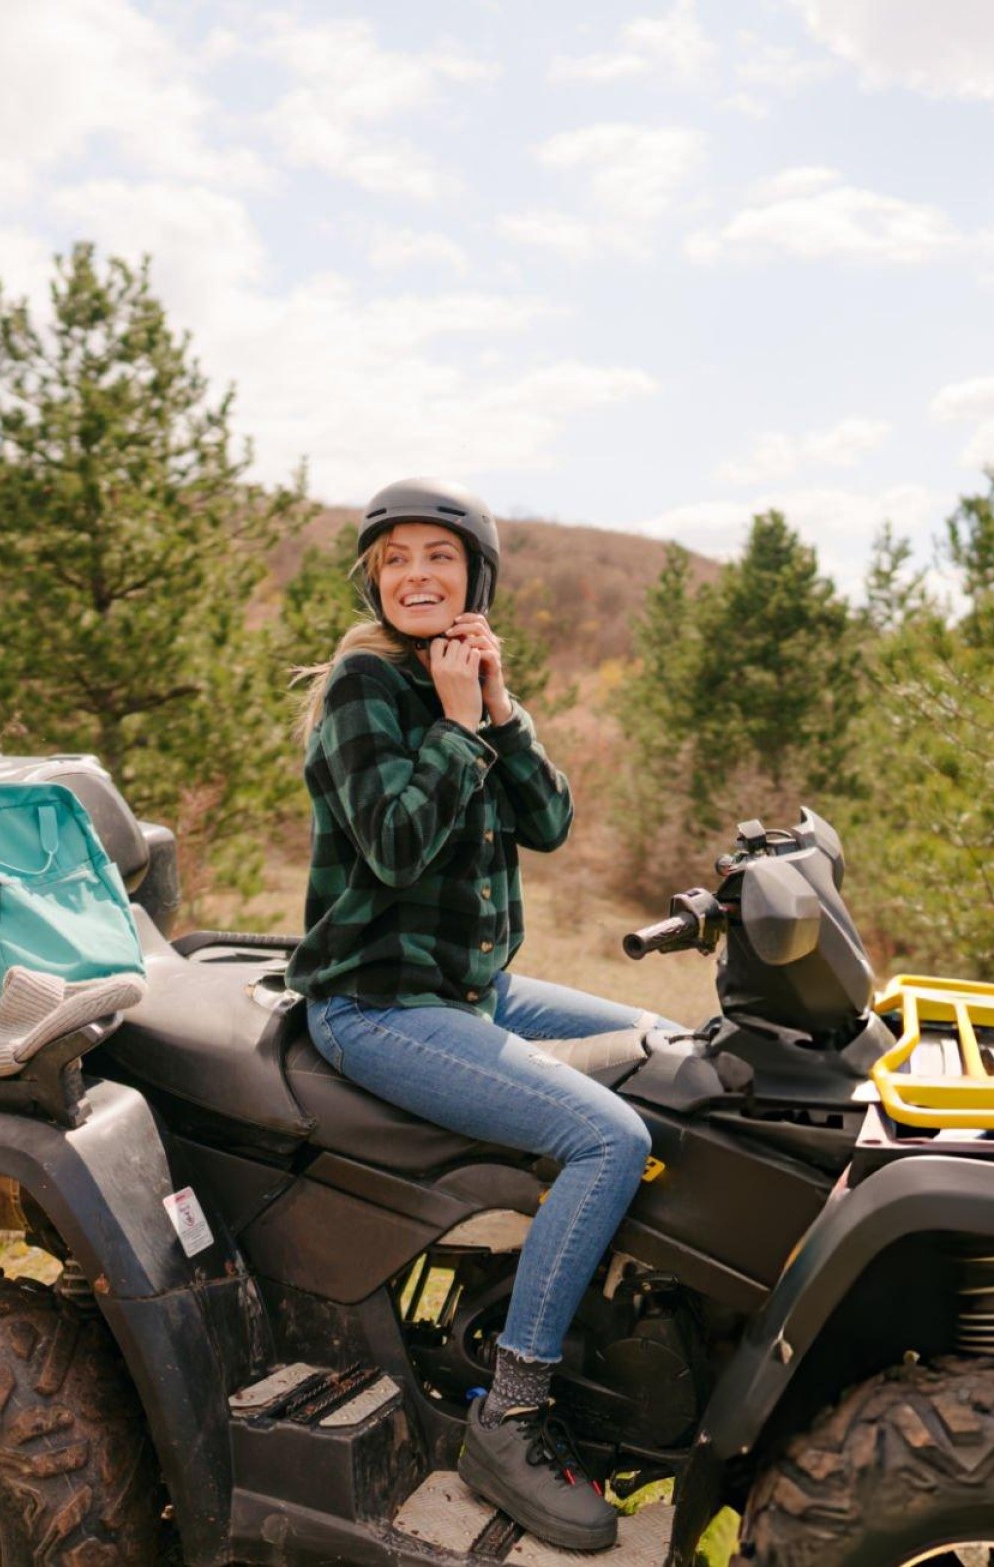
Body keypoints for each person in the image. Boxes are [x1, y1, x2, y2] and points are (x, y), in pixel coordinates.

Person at [286, 476, 676, 1553]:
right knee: (610, 1135)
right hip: (374, 1002)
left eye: (439, 556)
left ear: (476, 577)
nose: (417, 573)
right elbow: (397, 845)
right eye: (397, 557)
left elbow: (548, 820)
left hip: (478, 990)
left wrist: (499, 709)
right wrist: (459, 726)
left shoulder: (466, 678)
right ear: (374, 577)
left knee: (668, 1049)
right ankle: (506, 1417)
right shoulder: (367, 685)